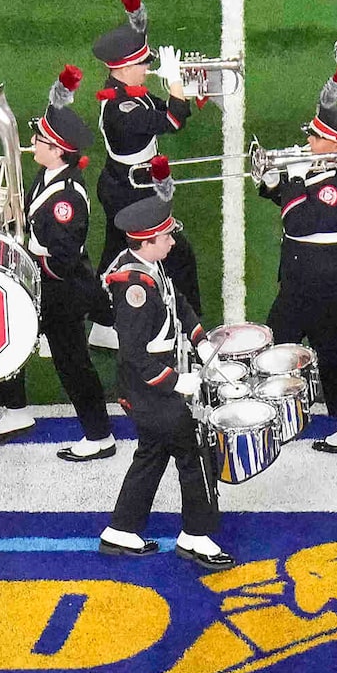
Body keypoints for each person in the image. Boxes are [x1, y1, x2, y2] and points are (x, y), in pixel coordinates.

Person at [98, 184, 227, 568]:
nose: (173, 240)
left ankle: (121, 530)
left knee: (152, 453)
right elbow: (135, 354)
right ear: (147, 241)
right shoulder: (134, 288)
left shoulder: (149, 266)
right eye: (167, 235)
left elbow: (179, 302)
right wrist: (176, 382)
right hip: (150, 388)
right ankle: (196, 535)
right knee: (195, 452)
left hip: (152, 384)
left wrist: (202, 340)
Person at [0, 73, 112, 452]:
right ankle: (16, 409)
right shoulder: (47, 174)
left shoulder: (66, 199)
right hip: (46, 283)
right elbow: (31, 218)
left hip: (62, 289)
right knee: (7, 339)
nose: (33, 143)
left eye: (39, 140)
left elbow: (64, 258)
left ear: (57, 150)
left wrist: (24, 253)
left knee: (72, 364)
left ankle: (100, 436)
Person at [263, 73, 337, 457]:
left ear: (336, 145)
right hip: (306, 281)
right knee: (281, 345)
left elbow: (297, 220)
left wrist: (291, 180)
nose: (307, 141)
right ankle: (287, 415)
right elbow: (288, 201)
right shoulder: (321, 173)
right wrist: (273, 180)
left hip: (329, 286)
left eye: (314, 137)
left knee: (330, 353)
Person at [91, 0, 208, 318]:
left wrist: (189, 86)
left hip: (127, 183)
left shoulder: (129, 92)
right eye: (143, 63)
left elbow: (166, 109)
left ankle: (101, 317)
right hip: (130, 189)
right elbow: (171, 120)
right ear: (125, 67)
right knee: (178, 254)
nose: (147, 68)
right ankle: (191, 324)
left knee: (115, 253)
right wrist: (174, 85)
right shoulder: (122, 107)